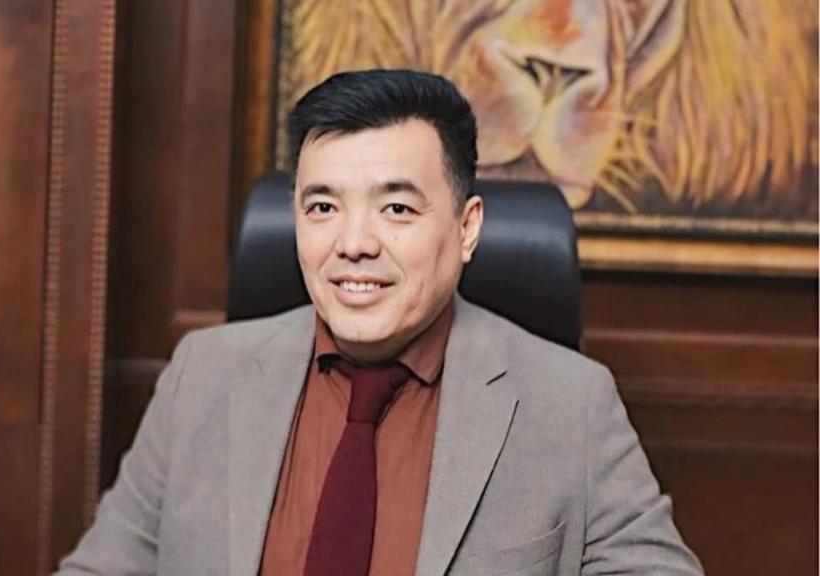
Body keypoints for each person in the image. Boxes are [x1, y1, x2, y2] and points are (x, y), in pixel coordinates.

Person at [56, 69, 703, 576]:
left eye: (396, 209)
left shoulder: (569, 403)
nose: (354, 244)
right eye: (323, 207)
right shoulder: (203, 373)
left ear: (466, 227)